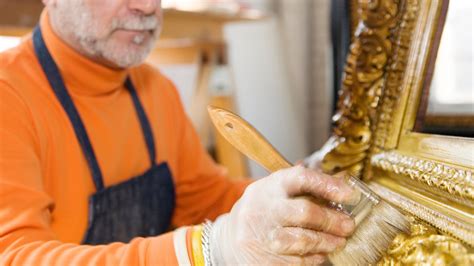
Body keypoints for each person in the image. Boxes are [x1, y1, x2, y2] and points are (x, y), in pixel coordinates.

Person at [0, 0, 357, 265]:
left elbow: (205, 197)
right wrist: (213, 247)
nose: (147, 6)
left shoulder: (156, 89)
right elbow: (14, 256)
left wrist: (289, 200)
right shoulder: (9, 95)